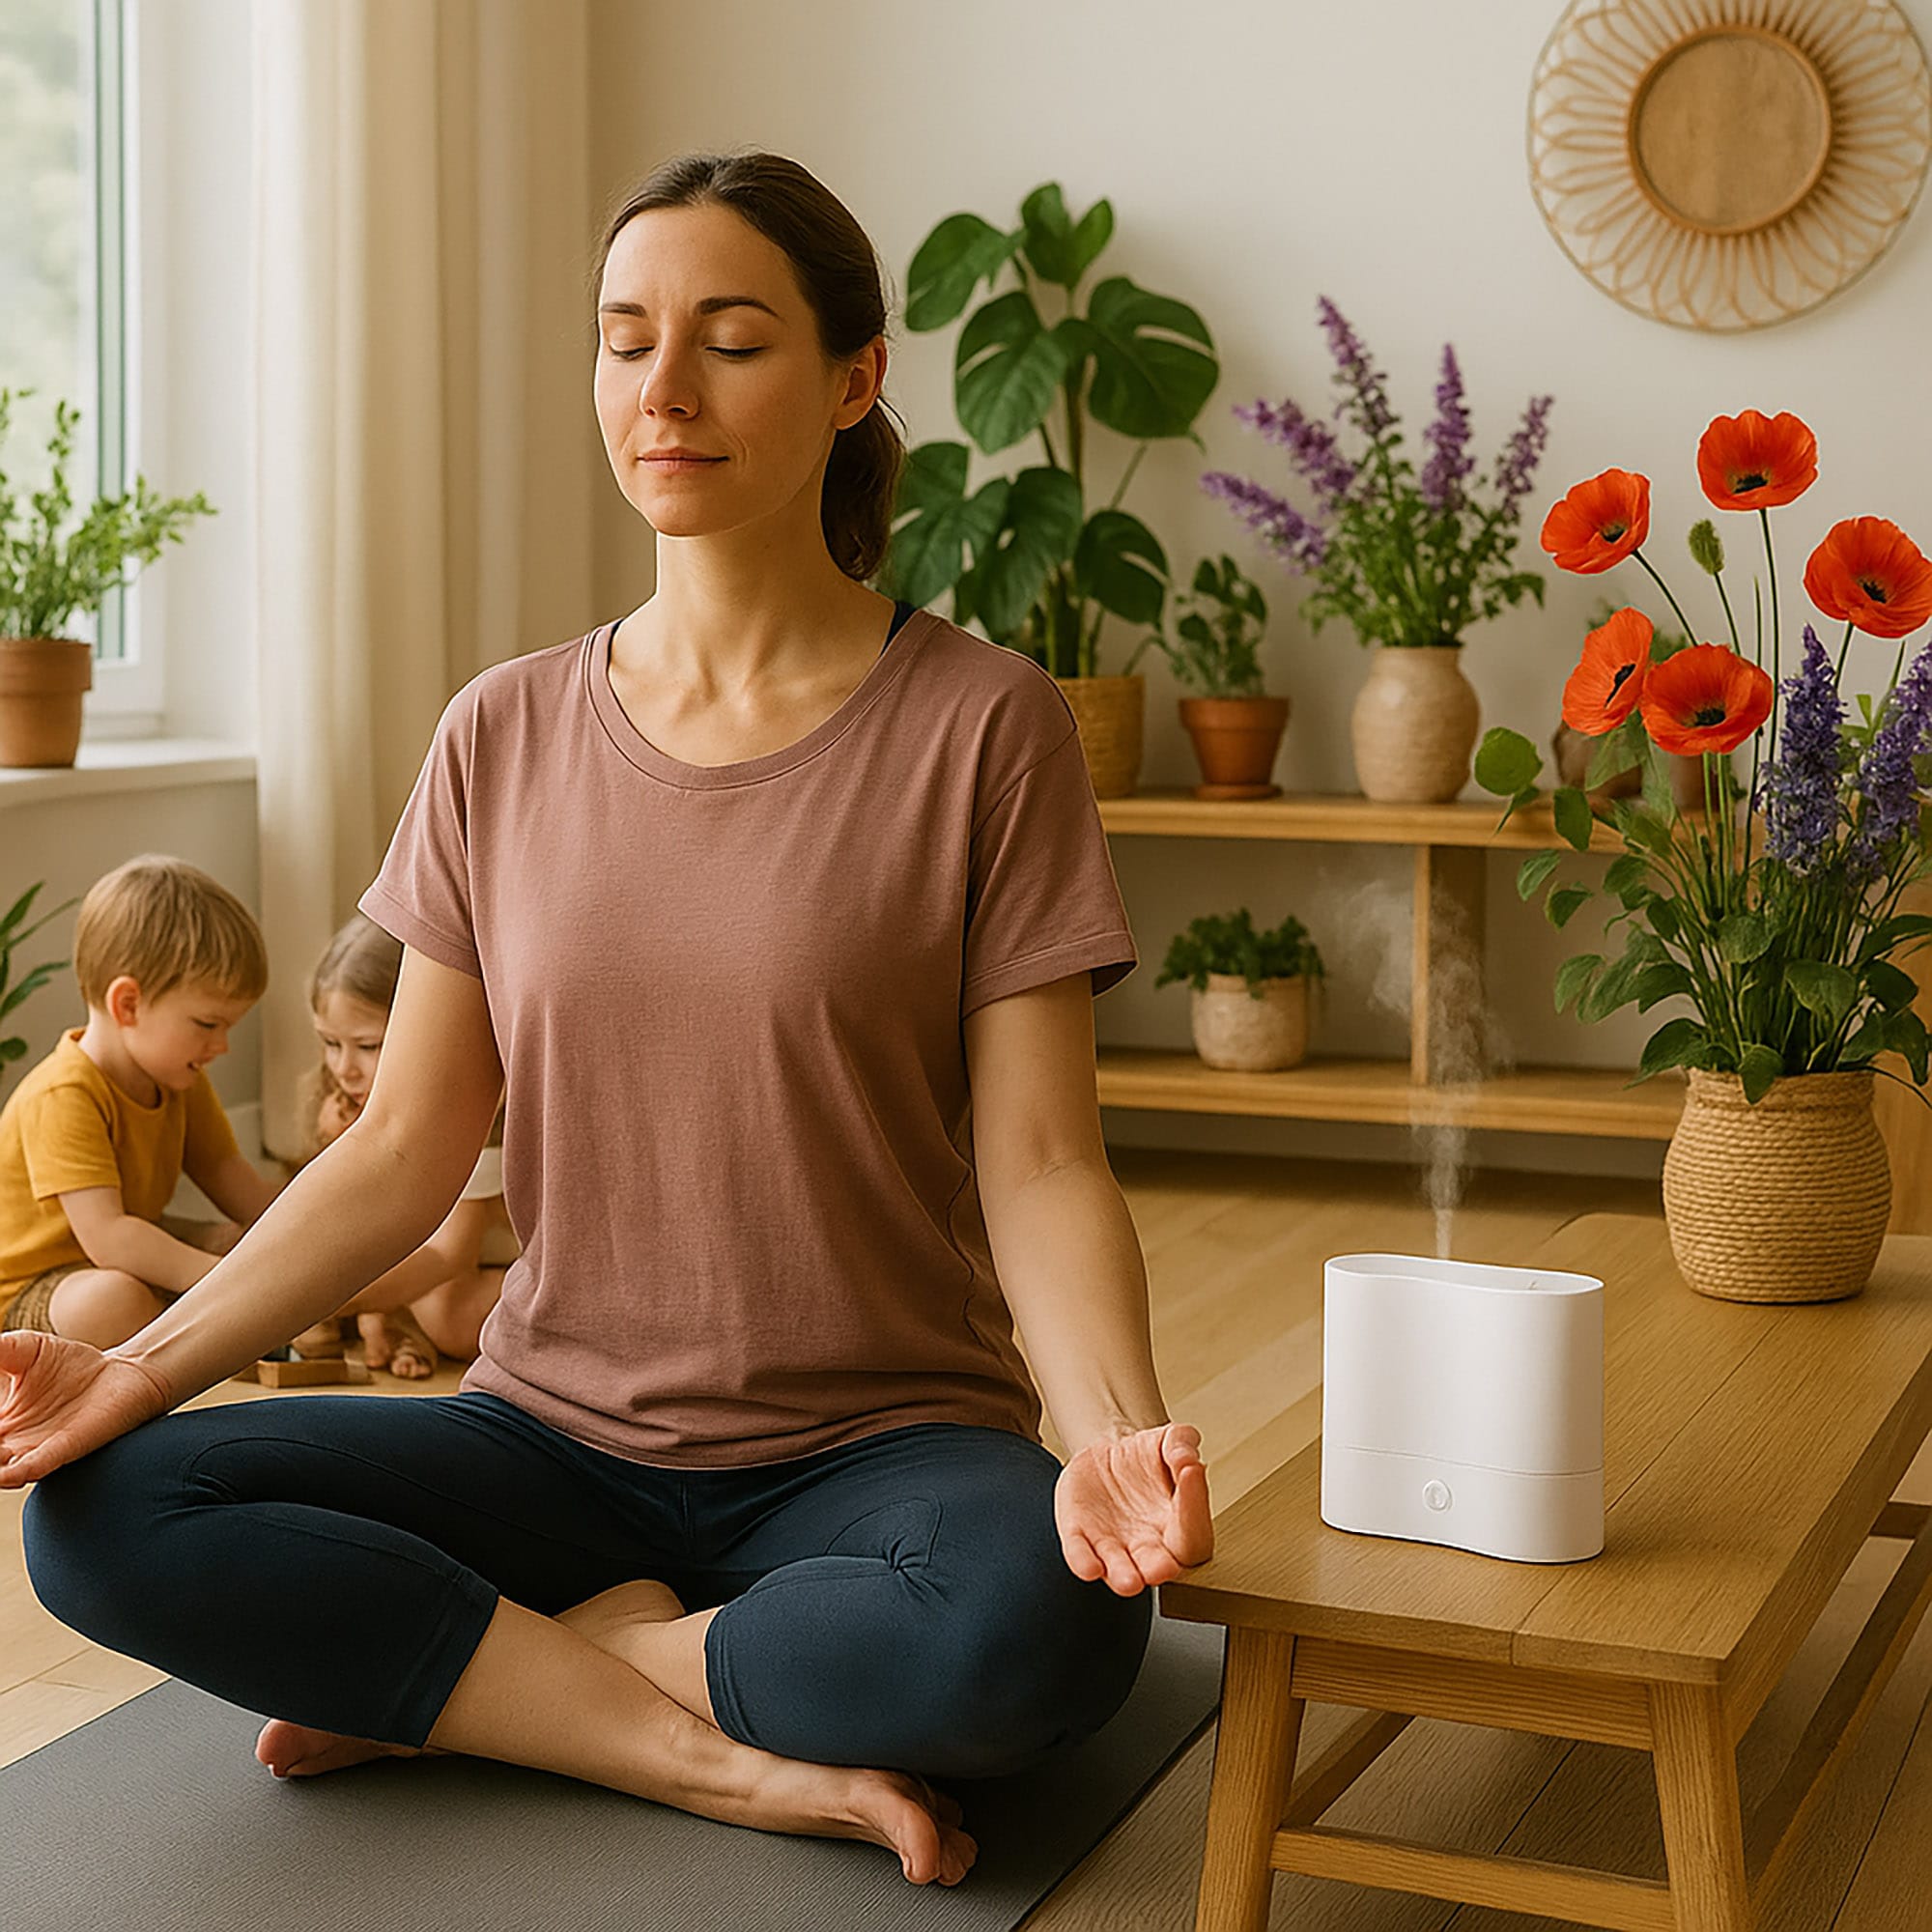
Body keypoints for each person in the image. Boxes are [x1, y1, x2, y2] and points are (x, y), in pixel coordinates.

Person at [1, 151, 1213, 1890]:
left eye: (730, 339)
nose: (665, 389)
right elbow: (405, 1152)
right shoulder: (502, 732)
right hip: (548, 1439)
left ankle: (513, 1677)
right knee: (109, 1516)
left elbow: (1037, 1161)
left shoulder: (985, 728)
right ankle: (702, 1751)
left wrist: (1108, 1437)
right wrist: (131, 1372)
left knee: (1046, 1629)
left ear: (856, 378)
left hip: (878, 1448)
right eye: (625, 339)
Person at [0, 854, 282, 1348]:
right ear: (127, 1004)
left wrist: (297, 1243)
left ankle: (186, 1324)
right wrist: (233, 1285)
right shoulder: (65, 1093)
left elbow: (226, 1173)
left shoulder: (178, 1078)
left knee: (240, 1242)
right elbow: (108, 1237)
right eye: (207, 1024)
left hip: (111, 1259)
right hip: (29, 1286)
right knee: (116, 1302)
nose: (221, 1047)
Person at [289, 912, 509, 1378]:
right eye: (330, 1043)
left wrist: (329, 1301)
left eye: (368, 1047)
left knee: (446, 1310)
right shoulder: (339, 1093)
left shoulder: (481, 1103)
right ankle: (391, 1318)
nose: (344, 1068)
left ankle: (393, 1317)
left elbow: (449, 1254)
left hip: (504, 1263)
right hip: (437, 1257)